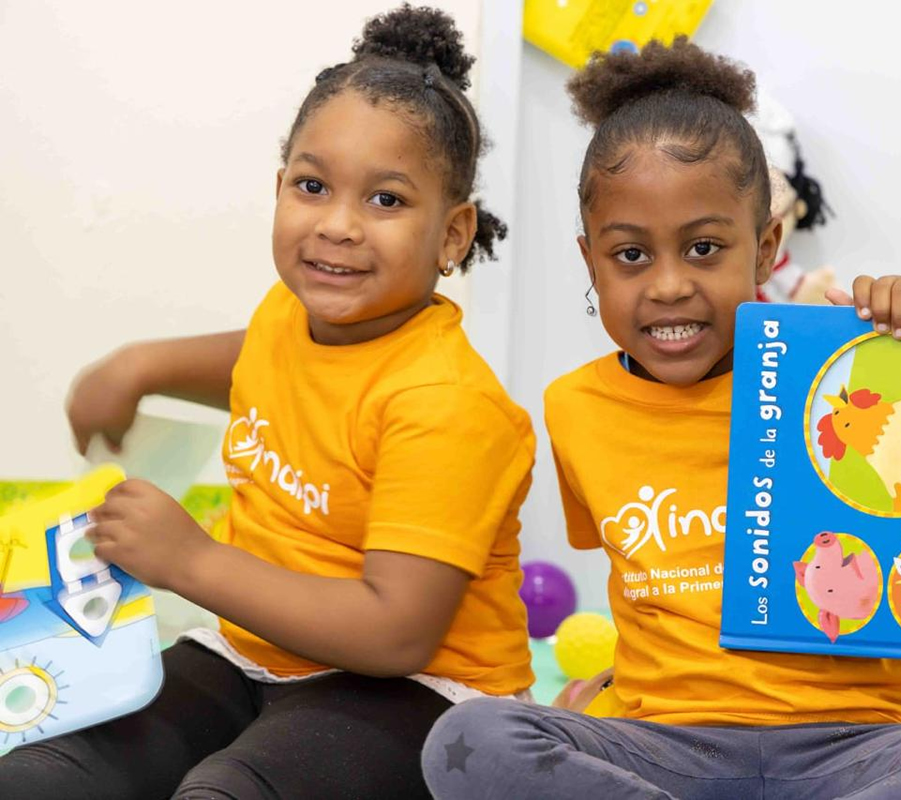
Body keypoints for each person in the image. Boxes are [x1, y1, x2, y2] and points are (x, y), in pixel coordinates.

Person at [422, 36, 901, 800]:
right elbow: (655, 602)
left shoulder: (848, 373)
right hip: (665, 747)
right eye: (630, 256)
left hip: (858, 746)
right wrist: (608, 706)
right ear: (590, 260)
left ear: (764, 249)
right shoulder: (574, 407)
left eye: (703, 248)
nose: (667, 286)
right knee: (469, 737)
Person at [0, 7, 534, 799]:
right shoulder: (295, 315)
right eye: (312, 187)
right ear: (280, 186)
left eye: (386, 200)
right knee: (43, 773)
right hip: (250, 650)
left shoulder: (448, 404)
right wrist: (142, 366)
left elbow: (396, 633)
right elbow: (262, 363)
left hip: (414, 691)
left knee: (228, 793)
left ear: (454, 235)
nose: (339, 226)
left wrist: (193, 561)